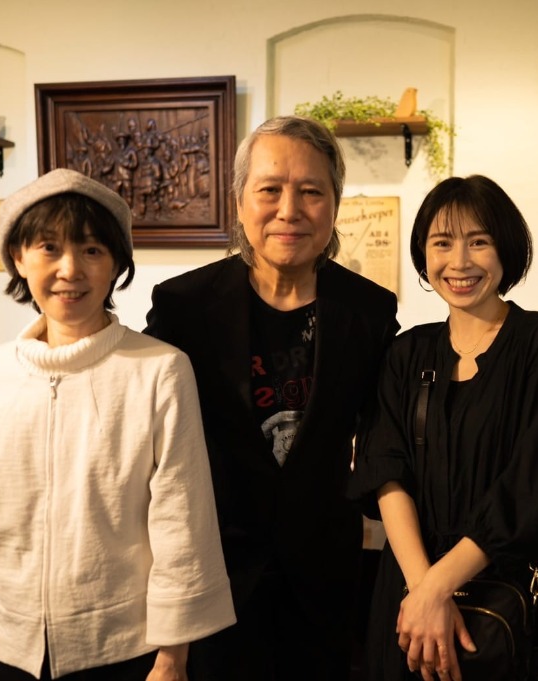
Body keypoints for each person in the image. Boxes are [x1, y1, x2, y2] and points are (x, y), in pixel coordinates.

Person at [144, 116, 399, 680]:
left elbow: (385, 438)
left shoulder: (369, 312)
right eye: (269, 190)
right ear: (239, 202)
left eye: (311, 191)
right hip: (215, 571)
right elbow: (140, 417)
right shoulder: (185, 307)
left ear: (334, 205)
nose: (289, 210)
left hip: (323, 575)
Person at [0, 168, 235, 681]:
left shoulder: (160, 370)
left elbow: (182, 519)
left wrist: (173, 656)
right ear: (18, 257)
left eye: (91, 250)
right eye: (49, 248)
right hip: (7, 640)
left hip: (122, 645)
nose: (70, 270)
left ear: (116, 265)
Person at [351, 175, 538, 681]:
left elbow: (535, 484)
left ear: (507, 249)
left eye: (479, 241)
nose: (459, 262)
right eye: (442, 243)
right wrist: (423, 590)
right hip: (407, 589)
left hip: (507, 592)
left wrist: (438, 589)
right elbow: (384, 470)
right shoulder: (406, 352)